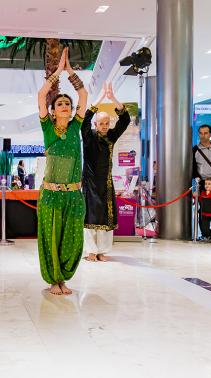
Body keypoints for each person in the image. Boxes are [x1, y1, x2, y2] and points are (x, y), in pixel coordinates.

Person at [36, 47, 87, 295]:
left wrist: (70, 73)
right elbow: (42, 94)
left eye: (68, 103)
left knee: (72, 239)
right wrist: (57, 72)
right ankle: (54, 279)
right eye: (60, 103)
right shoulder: (47, 128)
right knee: (51, 238)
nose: (65, 105)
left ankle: (64, 278)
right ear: (53, 111)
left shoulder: (77, 126)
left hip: (74, 196)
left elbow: (84, 95)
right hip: (51, 195)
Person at [81, 83, 131, 262]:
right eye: (101, 123)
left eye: (106, 123)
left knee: (105, 218)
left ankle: (102, 250)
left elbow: (125, 120)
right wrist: (100, 99)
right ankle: (90, 251)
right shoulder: (88, 136)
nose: (104, 126)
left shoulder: (111, 136)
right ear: (96, 124)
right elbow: (84, 120)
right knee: (88, 218)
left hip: (106, 184)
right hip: (89, 183)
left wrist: (113, 99)